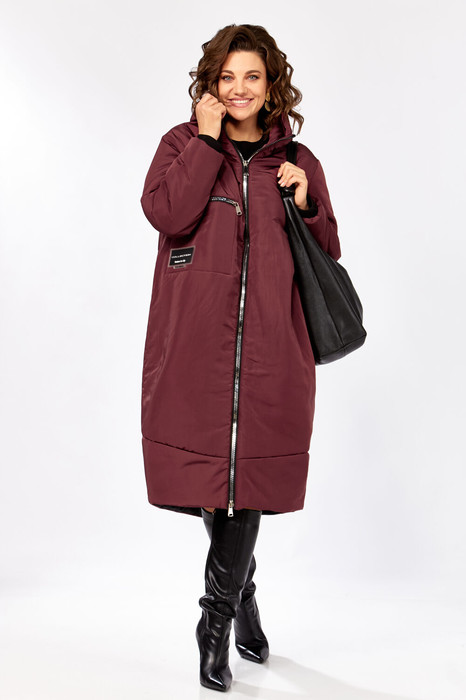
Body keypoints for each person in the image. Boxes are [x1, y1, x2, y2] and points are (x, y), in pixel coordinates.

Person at [140, 23, 341, 692]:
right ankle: (245, 600)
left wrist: (305, 202)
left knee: (244, 480)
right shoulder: (182, 144)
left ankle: (215, 621)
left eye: (251, 76)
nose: (238, 89)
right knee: (215, 481)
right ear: (210, 84)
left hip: (273, 346)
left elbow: (328, 252)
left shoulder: (298, 160)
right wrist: (204, 142)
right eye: (227, 76)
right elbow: (168, 213)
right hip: (196, 343)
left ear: (272, 83)